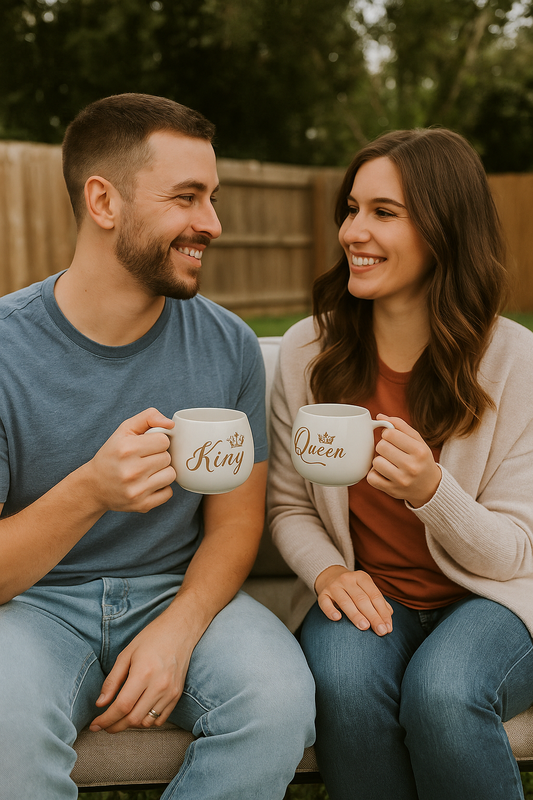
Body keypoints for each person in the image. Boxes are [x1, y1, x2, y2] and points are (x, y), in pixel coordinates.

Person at [0, 93, 315, 800]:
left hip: (179, 592)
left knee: (277, 703)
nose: (213, 222)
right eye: (186, 197)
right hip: (33, 606)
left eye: (212, 197)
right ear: (103, 201)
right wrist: (90, 491)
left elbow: (235, 525)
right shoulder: (4, 350)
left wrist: (178, 630)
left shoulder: (227, 343)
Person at [267, 127, 533, 800]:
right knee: (346, 686)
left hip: (495, 600)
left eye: (383, 213)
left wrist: (430, 490)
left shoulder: (514, 362)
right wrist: (327, 570)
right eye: (351, 210)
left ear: (444, 229)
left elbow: (511, 553)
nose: (353, 230)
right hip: (371, 588)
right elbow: (289, 503)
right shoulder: (308, 352)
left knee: (443, 693)